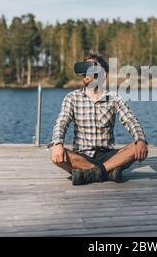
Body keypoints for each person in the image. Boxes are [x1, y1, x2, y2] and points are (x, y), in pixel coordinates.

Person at [48, 53, 148, 185]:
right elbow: (61, 122)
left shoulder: (113, 98)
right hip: (82, 155)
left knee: (137, 147)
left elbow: (130, 120)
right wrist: (57, 143)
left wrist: (140, 139)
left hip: (108, 154)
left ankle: (89, 173)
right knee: (56, 155)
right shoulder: (72, 97)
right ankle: (108, 172)